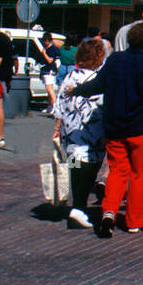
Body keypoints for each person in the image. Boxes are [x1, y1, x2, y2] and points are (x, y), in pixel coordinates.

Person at [62, 21, 143, 236]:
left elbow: (98, 85)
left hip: (114, 126)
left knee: (117, 172)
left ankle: (109, 211)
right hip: (139, 127)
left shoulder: (115, 60)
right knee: (140, 173)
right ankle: (135, 221)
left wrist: (77, 90)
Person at [51, 37, 107, 229]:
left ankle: (77, 204)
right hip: (92, 133)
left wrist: (57, 129)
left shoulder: (70, 76)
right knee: (90, 168)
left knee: (74, 167)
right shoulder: (97, 80)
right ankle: (79, 207)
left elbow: (59, 106)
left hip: (70, 133)